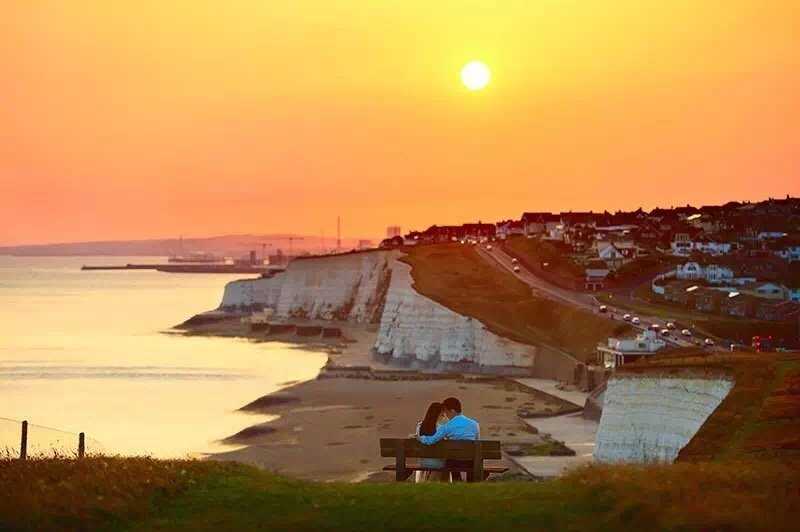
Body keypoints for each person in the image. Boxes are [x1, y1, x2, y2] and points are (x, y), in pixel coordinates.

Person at [417, 397, 480, 481]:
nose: (446, 415)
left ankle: (455, 482)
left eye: (446, 412)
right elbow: (477, 442)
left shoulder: (447, 426)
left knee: (451, 458)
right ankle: (470, 484)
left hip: (454, 462)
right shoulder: (474, 424)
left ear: (452, 411)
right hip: (470, 461)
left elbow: (430, 440)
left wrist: (420, 438)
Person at [413, 402, 448, 482]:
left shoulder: (419, 426)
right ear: (439, 415)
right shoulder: (441, 428)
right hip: (438, 464)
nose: (443, 417)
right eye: (443, 415)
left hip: (423, 462)